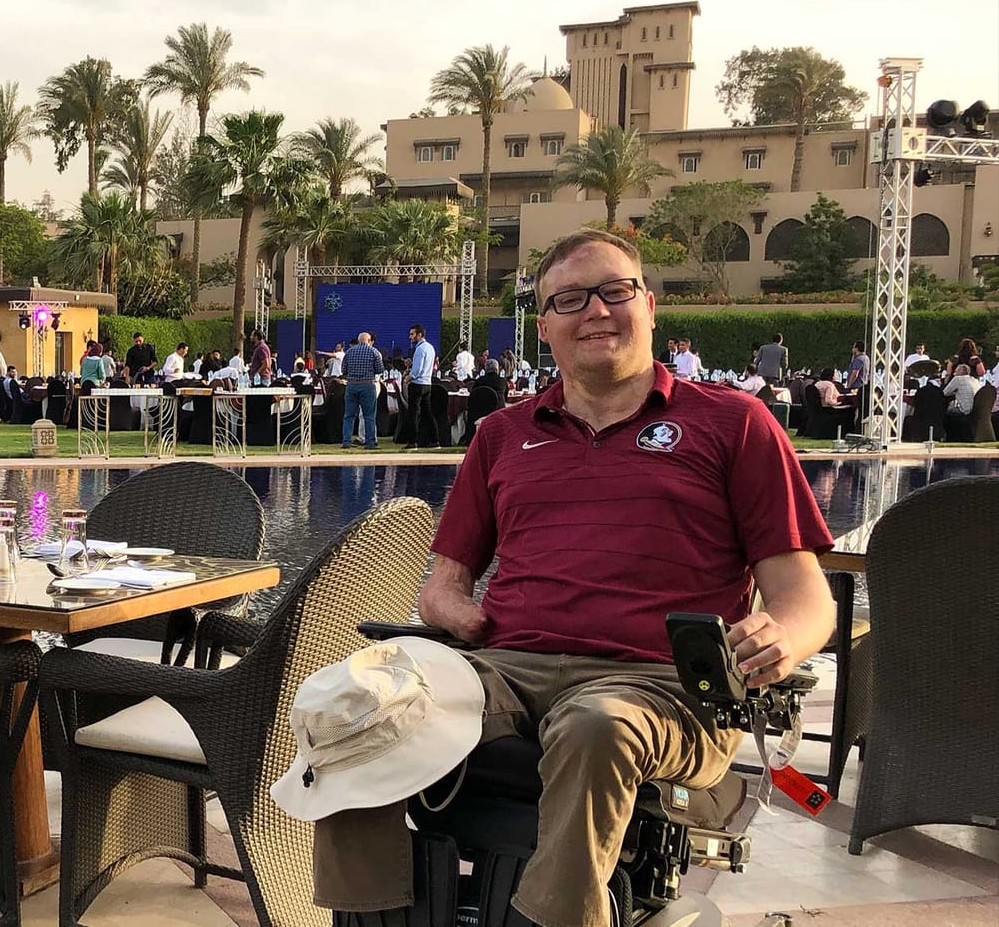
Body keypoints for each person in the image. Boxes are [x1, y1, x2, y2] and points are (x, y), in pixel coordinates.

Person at [313, 227, 834, 927]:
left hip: (658, 684)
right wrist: (453, 613)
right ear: (544, 326)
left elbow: (807, 600)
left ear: (649, 306)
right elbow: (441, 586)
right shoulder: (502, 435)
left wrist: (782, 637)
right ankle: (372, 914)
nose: (595, 310)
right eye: (569, 299)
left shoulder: (734, 424)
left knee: (594, 726)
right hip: (508, 670)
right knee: (353, 699)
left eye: (614, 291)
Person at [340, 331, 385, 448]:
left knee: (349, 416)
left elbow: (343, 370)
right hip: (367, 385)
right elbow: (380, 369)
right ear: (369, 341)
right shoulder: (374, 352)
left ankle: (346, 441)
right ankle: (370, 442)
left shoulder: (349, 352)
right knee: (369, 416)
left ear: (358, 340)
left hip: (351, 385)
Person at [406, 324, 438, 447]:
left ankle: (412, 441)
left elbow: (418, 370)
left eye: (412, 334)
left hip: (417, 384)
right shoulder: (430, 347)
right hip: (427, 383)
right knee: (428, 413)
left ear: (419, 335)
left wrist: (409, 377)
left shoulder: (420, 349)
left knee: (413, 414)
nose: (410, 337)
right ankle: (435, 440)